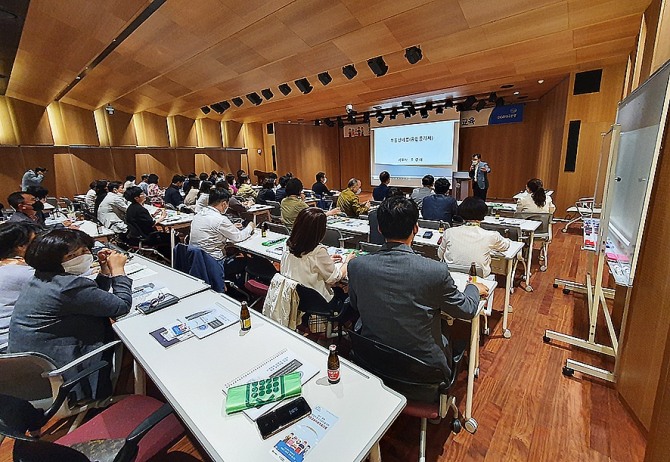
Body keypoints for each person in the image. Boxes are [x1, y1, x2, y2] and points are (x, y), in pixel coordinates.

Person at [348, 196, 487, 379]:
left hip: (371, 358)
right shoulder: (435, 271)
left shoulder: (356, 265)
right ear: (416, 228)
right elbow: (467, 309)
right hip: (422, 370)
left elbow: (355, 305)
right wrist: (473, 288)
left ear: (380, 229)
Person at [9, 228, 132, 401]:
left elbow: (88, 299)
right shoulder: (68, 286)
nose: (85, 256)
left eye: (85, 251)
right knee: (128, 343)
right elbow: (121, 306)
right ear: (54, 260)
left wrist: (104, 271)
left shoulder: (42, 278)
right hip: (58, 372)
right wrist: (118, 271)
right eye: (74, 255)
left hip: (30, 370)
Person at [280, 207, 352, 302]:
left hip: (293, 297)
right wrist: (347, 262)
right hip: (316, 301)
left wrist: (327, 260)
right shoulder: (318, 251)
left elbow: (306, 265)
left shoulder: (288, 244)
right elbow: (335, 277)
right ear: (319, 230)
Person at [189, 188, 255, 282]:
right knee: (247, 261)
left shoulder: (198, 215)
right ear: (224, 204)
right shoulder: (220, 219)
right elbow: (238, 237)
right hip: (214, 262)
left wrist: (230, 227)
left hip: (198, 261)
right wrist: (250, 227)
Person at [438, 197, 510, 278]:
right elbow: (505, 246)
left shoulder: (449, 232)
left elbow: (440, 254)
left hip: (451, 275)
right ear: (484, 213)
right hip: (478, 277)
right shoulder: (491, 235)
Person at [0, 222, 41, 347]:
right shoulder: (21, 271)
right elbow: (65, 285)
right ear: (20, 246)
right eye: (35, 242)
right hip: (14, 343)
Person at [124, 187, 171, 257]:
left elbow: (143, 220)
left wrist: (153, 215)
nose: (145, 195)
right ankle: (170, 258)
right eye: (142, 194)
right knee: (172, 238)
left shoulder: (131, 208)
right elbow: (152, 224)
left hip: (135, 236)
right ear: (136, 198)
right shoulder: (140, 209)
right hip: (147, 237)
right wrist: (162, 217)